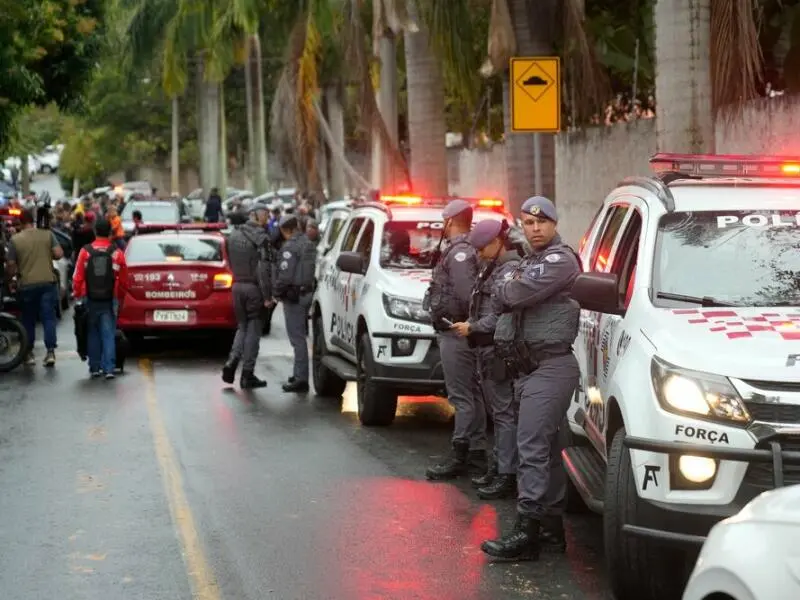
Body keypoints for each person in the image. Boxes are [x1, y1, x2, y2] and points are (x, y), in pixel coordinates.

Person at [480, 196, 581, 562]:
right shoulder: (526, 262)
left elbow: (513, 292)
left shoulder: (560, 260)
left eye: (541, 222)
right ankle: (551, 531)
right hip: (526, 370)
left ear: (554, 223)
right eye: (528, 222)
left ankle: (527, 531)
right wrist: (511, 285)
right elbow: (501, 291)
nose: (534, 228)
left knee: (531, 448)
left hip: (551, 366)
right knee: (548, 451)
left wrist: (512, 286)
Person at [451, 219, 522, 500]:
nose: (478, 254)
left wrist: (473, 327)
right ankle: (499, 467)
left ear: (497, 242)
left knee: (504, 415)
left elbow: (501, 314)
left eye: (482, 248)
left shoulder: (509, 269)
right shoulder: (494, 266)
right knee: (499, 413)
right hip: (487, 348)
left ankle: (507, 474)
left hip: (497, 349)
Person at [423, 199, 487, 480]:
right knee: (471, 396)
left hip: (457, 333)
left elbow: (466, 294)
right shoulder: (466, 248)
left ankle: (462, 453)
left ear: (450, 220)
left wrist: (468, 325)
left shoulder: (460, 252)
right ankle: (475, 453)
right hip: (462, 332)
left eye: (443, 219)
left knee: (462, 397)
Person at [222, 204, 273, 389]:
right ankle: (247, 374)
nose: (267, 218)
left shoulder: (233, 236)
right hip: (254, 289)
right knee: (253, 332)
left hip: (236, 286)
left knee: (242, 328)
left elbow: (228, 258)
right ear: (256, 216)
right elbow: (264, 269)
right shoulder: (262, 238)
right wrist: (268, 296)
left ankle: (232, 362)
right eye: (265, 214)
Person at [5, 208, 64, 366]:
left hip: (27, 285)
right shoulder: (47, 234)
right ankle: (50, 352)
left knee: (28, 319)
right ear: (33, 221)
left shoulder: (15, 240)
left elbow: (11, 265)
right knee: (48, 318)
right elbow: (59, 254)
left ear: (20, 223)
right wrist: (47, 254)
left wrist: (9, 278)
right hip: (47, 282)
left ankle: (28, 353)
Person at [72, 218, 127, 378]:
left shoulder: (85, 252)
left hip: (90, 297)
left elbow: (77, 277)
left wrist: (77, 294)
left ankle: (94, 367)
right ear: (110, 233)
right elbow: (124, 279)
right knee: (108, 333)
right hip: (111, 298)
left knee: (92, 332)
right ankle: (109, 368)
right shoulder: (117, 253)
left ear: (95, 231)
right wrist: (120, 297)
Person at [274, 214, 316, 393]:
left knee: (297, 338)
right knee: (302, 336)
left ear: (285, 230)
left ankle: (301, 379)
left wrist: (275, 293)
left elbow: (285, 275)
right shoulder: (308, 243)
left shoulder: (289, 247)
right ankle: (298, 372)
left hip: (294, 296)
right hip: (307, 292)